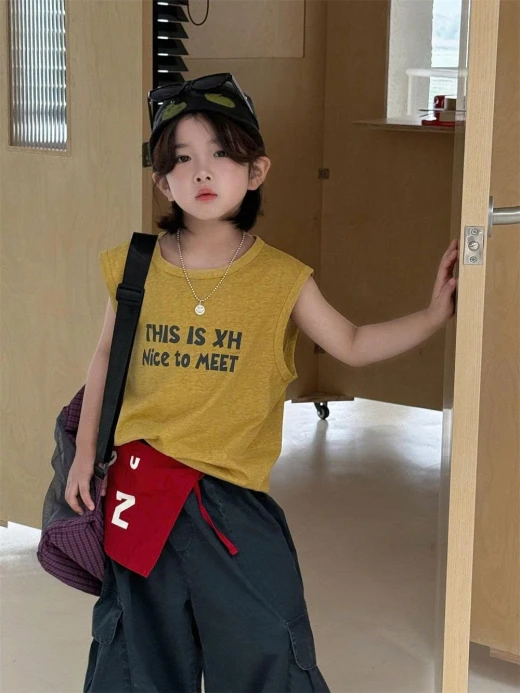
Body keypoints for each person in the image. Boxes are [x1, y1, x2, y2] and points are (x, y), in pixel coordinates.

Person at [65, 73, 459, 693]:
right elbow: (104, 361)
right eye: (182, 159)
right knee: (137, 660)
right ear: (162, 181)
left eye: (222, 153)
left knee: (268, 647)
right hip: (141, 490)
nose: (202, 171)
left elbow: (352, 344)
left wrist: (433, 316)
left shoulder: (282, 278)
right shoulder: (132, 266)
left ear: (256, 171)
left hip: (233, 501)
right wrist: (85, 455)